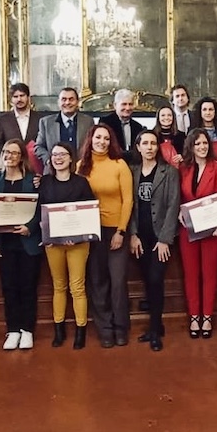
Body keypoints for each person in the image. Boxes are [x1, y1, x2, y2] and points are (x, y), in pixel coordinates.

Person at [77, 123, 134, 347]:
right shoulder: (81, 166)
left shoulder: (119, 165)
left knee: (118, 281)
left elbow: (128, 200)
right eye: (98, 137)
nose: (102, 142)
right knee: (97, 280)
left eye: (106, 138)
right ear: (90, 139)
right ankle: (105, 328)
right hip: (90, 231)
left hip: (115, 230)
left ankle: (121, 327)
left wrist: (121, 231)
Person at [38, 142, 96, 350]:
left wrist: (77, 235)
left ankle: (81, 331)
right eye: (54, 155)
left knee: (77, 287)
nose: (58, 158)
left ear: (71, 158)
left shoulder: (81, 183)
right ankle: (59, 330)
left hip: (78, 243)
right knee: (58, 286)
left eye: (62, 154)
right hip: (53, 243)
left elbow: (89, 213)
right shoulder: (44, 182)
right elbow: (40, 212)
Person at [0, 139, 42, 350]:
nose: (10, 156)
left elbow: (40, 210)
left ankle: (27, 330)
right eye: (6, 152)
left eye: (15, 153)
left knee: (28, 287)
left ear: (22, 157)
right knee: (9, 287)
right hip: (5, 243)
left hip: (28, 241)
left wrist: (30, 227)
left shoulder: (33, 181)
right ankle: (12, 330)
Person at [128, 130, 180, 351]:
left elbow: (173, 205)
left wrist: (165, 240)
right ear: (138, 147)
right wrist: (132, 234)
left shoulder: (169, 172)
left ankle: (155, 328)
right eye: (145, 143)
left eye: (153, 143)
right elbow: (128, 205)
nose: (149, 147)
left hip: (160, 238)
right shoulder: (132, 172)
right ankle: (155, 327)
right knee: (147, 282)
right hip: (140, 237)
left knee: (156, 280)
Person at [178, 128, 217, 339]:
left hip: (212, 228)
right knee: (191, 274)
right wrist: (180, 210)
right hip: (187, 228)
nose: (202, 147)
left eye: (205, 143)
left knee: (209, 274)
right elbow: (179, 195)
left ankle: (207, 316)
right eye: (197, 144)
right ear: (191, 146)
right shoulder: (183, 168)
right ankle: (194, 316)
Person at [33, 87, 94, 173]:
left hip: (81, 172)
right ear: (58, 102)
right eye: (64, 99)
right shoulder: (46, 122)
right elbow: (38, 147)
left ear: (77, 102)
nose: (67, 102)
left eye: (71, 99)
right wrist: (48, 160)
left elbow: (92, 146)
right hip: (53, 173)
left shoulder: (88, 121)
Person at [0, 83, 42, 157]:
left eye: (22, 95)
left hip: (35, 164)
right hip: (12, 164)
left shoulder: (40, 119)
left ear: (28, 97)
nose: (19, 99)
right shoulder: (3, 119)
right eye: (15, 96)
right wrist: (7, 156)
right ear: (11, 100)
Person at [99, 88, 145, 163]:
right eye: (124, 104)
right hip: (112, 163)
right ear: (115, 105)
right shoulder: (105, 123)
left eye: (130, 104)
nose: (127, 108)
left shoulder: (138, 127)